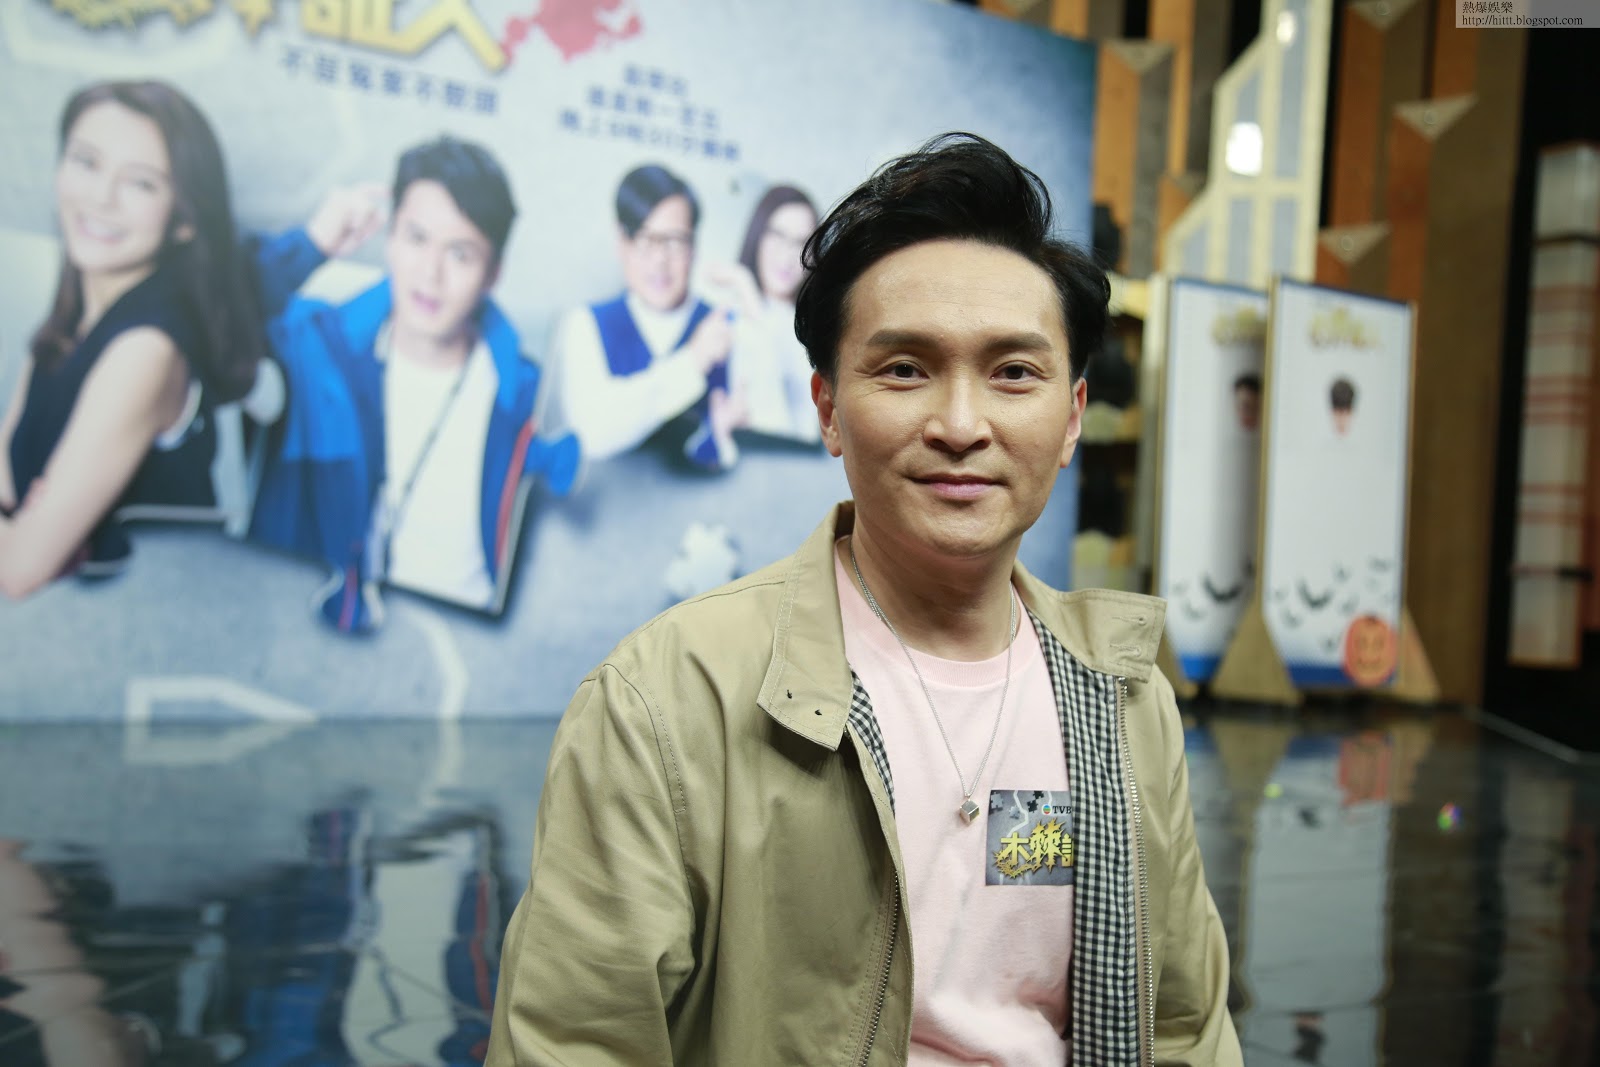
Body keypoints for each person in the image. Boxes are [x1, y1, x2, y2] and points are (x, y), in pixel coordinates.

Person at [487, 133, 1241, 1065]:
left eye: (1014, 372)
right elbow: (574, 1040)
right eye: (905, 369)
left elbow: (1183, 1026)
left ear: (1072, 417)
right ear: (829, 409)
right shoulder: (667, 701)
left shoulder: (1124, 701)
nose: (961, 424)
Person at [249, 136, 579, 630]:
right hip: (304, 627)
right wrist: (312, 246)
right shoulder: (313, 345)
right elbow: (208, 310)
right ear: (390, 238)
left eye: (460, 254)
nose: (430, 273)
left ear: (493, 273)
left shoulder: (523, 397)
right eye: (416, 238)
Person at [0, 80, 266, 599]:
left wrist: (35, 531)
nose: (100, 198)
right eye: (86, 162)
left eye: (140, 184)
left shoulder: (146, 348)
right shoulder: (77, 306)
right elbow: (6, 479)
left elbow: (18, 570)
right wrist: (26, 525)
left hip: (146, 623)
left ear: (184, 220)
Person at [548, 164, 738, 470]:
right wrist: (692, 363)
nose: (660, 259)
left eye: (675, 241)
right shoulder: (584, 325)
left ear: (694, 247)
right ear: (621, 242)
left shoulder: (726, 326)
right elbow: (590, 434)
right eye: (645, 239)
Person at [706, 184, 822, 445]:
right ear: (758, 236)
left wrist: (745, 287)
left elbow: (791, 431)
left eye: (801, 243)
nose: (787, 254)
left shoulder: (814, 334)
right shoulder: (728, 318)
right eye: (777, 236)